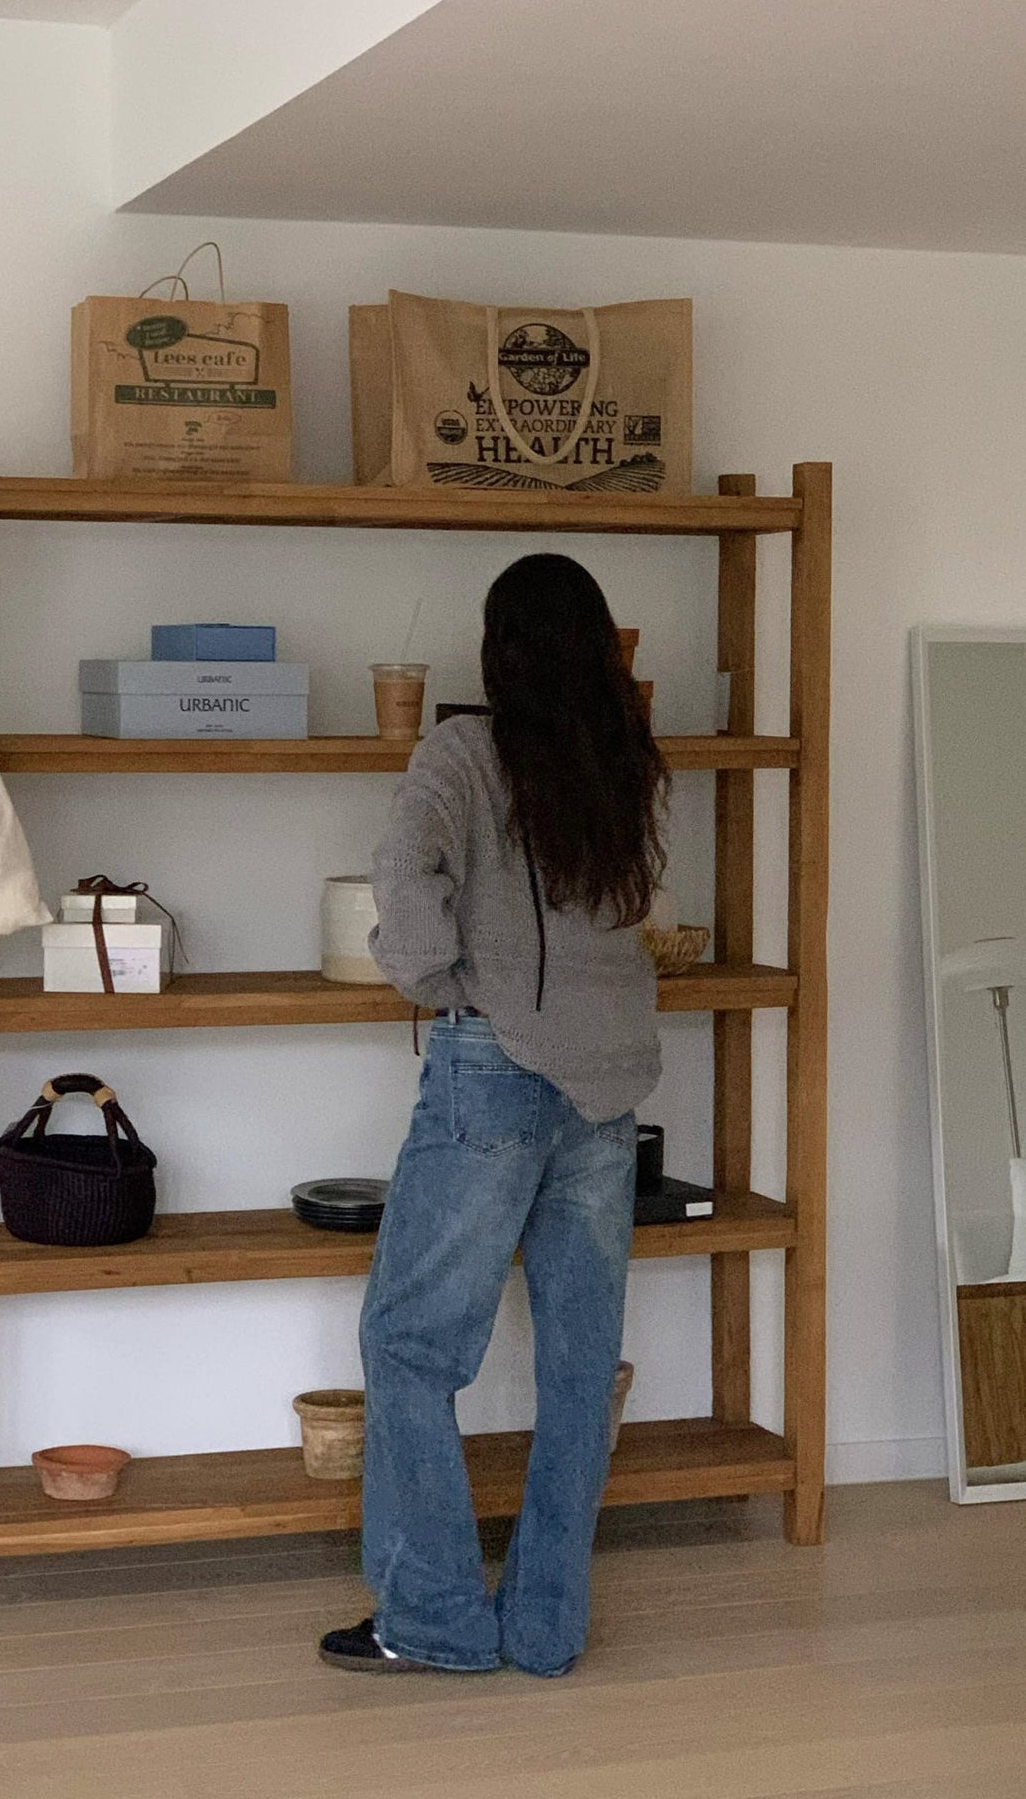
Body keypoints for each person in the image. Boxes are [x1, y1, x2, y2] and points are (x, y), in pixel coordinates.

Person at [320, 553, 669, 1679]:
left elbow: (402, 869)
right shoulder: (625, 762)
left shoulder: (463, 752)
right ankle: (545, 1627)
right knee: (580, 1367)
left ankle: (431, 1618)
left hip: (494, 1071)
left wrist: (428, 975)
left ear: (498, 650)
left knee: (411, 1345)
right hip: (606, 1093)